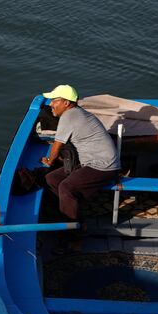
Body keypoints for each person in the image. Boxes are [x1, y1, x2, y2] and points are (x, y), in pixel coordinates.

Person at [40, 84, 120, 252]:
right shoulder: (76, 113)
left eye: (55, 100)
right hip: (87, 163)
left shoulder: (69, 116)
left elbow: (57, 145)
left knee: (66, 187)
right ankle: (71, 218)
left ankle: (73, 237)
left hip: (104, 166)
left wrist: (49, 160)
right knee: (51, 179)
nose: (51, 104)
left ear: (66, 103)